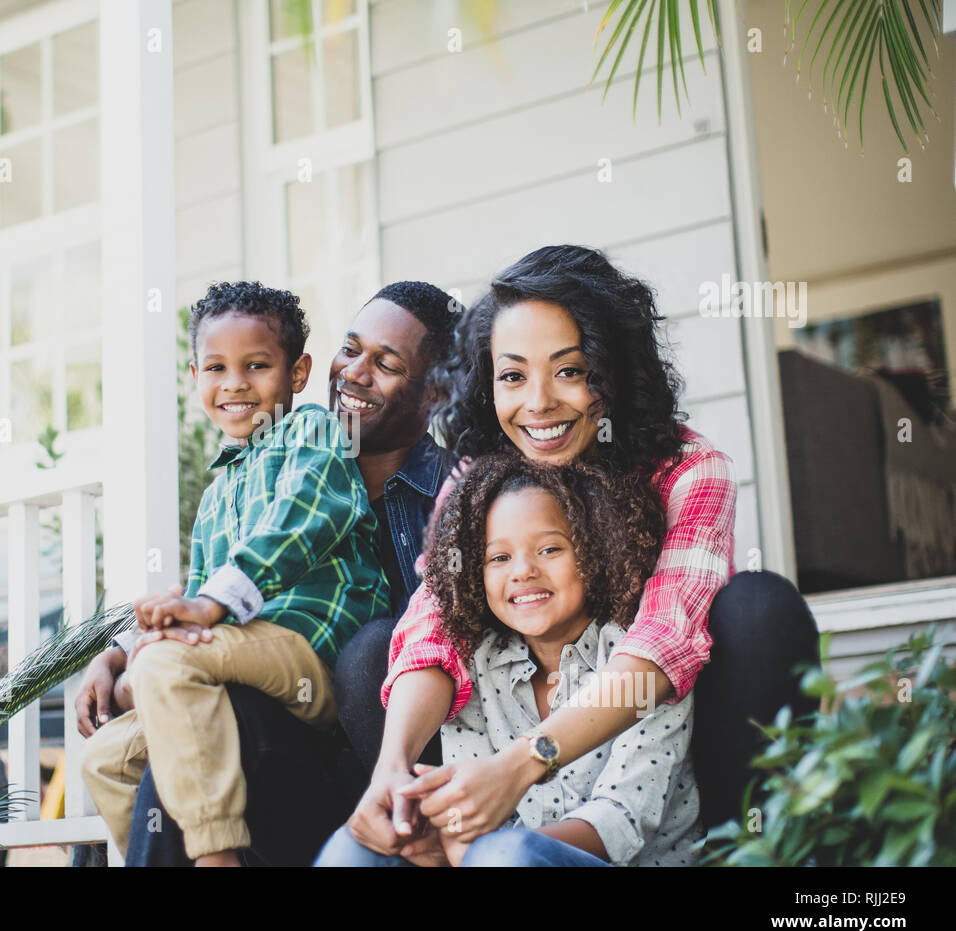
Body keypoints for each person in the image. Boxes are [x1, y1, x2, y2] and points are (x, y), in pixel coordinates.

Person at [347, 245, 819, 862]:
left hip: (661, 749)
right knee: (373, 655)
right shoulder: (477, 482)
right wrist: (393, 767)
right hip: (511, 743)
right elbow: (434, 624)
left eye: (569, 371)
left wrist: (524, 763)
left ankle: (751, 852)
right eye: (513, 375)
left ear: (614, 373)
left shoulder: (687, 471)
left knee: (758, 610)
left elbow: (661, 643)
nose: (538, 403)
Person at [74, 281, 463, 865]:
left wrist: (197, 619)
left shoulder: (440, 489)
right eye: (351, 349)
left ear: (435, 391)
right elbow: (208, 582)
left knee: (356, 653)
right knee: (111, 757)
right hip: (260, 691)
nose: (355, 373)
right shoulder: (226, 484)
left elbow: (291, 526)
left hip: (349, 727)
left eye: (385, 363)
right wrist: (124, 650)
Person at [317, 454, 702, 866]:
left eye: (550, 549)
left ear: (598, 550)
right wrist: (440, 829)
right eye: (498, 558)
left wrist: (482, 849)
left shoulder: (640, 663)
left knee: (505, 856)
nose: (522, 571)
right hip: (496, 858)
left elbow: (621, 823)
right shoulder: (477, 663)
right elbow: (474, 819)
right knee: (353, 848)